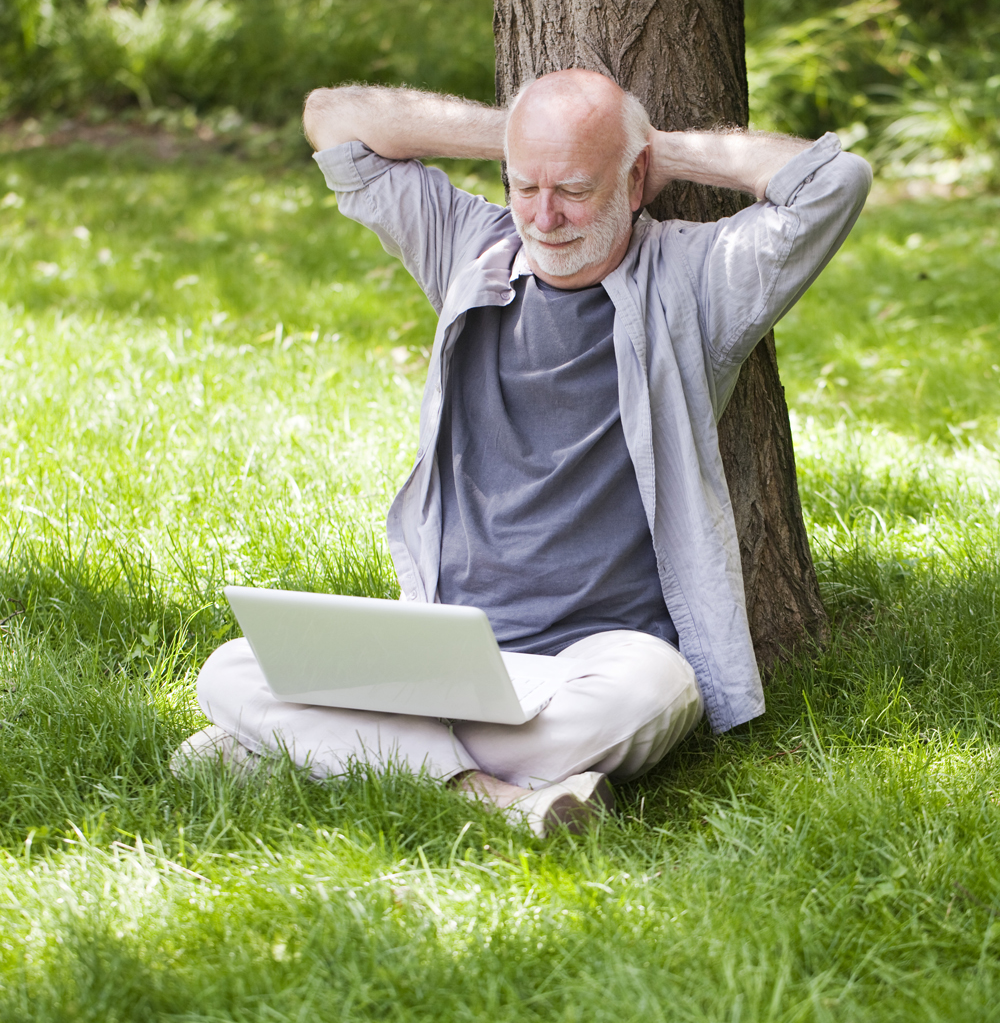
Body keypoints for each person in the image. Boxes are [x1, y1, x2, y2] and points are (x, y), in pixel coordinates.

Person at [172, 69, 871, 836]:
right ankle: (494, 796)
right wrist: (518, 134)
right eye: (523, 183)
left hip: (595, 661)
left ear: (635, 180)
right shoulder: (469, 248)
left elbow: (835, 181)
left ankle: (312, 746)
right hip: (446, 653)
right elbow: (332, 116)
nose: (544, 216)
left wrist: (655, 145)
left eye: (573, 187)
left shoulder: (697, 281)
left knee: (662, 690)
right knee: (230, 667)